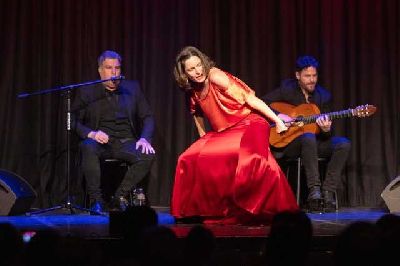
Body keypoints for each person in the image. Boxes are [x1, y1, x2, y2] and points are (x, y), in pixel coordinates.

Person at [171, 46, 298, 225]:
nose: (198, 71)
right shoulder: (191, 87)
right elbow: (195, 110)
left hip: (249, 123)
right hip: (224, 132)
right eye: (191, 69)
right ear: (184, 73)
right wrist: (202, 135)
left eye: (199, 65)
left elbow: (249, 99)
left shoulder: (215, 76)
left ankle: (261, 207)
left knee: (251, 158)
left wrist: (276, 119)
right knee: (188, 157)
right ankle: (196, 211)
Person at [262, 55, 351, 212]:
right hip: (289, 144)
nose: (312, 80)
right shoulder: (286, 90)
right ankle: (313, 191)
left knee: (343, 143)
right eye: (307, 76)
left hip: (314, 143)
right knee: (307, 137)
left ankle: (327, 191)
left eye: (314, 75)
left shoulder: (323, 96)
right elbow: (261, 103)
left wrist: (326, 130)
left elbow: (325, 135)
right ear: (298, 76)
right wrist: (278, 116)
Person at [72, 50, 155, 214]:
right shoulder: (87, 91)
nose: (114, 73)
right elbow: (72, 120)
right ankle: (97, 201)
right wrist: (92, 134)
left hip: (127, 142)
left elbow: (148, 117)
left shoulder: (132, 88)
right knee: (87, 147)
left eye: (117, 68)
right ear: (100, 70)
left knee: (148, 155)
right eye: (109, 68)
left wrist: (145, 139)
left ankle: (119, 196)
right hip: (101, 143)